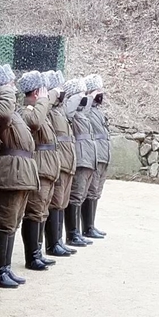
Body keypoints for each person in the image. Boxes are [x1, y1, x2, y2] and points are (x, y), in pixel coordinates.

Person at [0, 64, 38, 288]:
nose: (13, 89)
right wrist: (5, 91)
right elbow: (4, 115)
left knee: (11, 222)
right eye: (8, 85)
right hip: (9, 174)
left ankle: (4, 267)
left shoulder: (10, 112)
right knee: (3, 221)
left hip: (19, 173)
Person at [17, 71, 62, 270]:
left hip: (48, 167)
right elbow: (34, 122)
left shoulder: (41, 111)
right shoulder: (28, 112)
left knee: (42, 212)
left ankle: (39, 251)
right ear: (36, 92)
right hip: (40, 168)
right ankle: (32, 256)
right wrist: (44, 100)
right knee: (34, 212)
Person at [43, 71, 77, 257]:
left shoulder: (59, 111)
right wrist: (52, 94)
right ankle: (52, 243)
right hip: (58, 162)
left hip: (66, 161)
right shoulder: (46, 108)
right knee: (55, 203)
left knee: (61, 203)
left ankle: (58, 241)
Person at [63, 78, 96, 247]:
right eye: (80, 95)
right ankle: (72, 233)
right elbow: (67, 111)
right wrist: (77, 96)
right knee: (75, 196)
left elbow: (87, 109)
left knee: (81, 195)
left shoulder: (82, 114)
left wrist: (88, 98)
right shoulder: (71, 113)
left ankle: (77, 232)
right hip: (81, 158)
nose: (84, 98)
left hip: (87, 158)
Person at [84, 74, 110, 239]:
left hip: (103, 155)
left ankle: (91, 225)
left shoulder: (98, 111)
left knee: (96, 192)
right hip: (95, 155)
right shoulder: (84, 108)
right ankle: (86, 227)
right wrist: (88, 98)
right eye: (98, 90)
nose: (101, 94)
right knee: (90, 191)